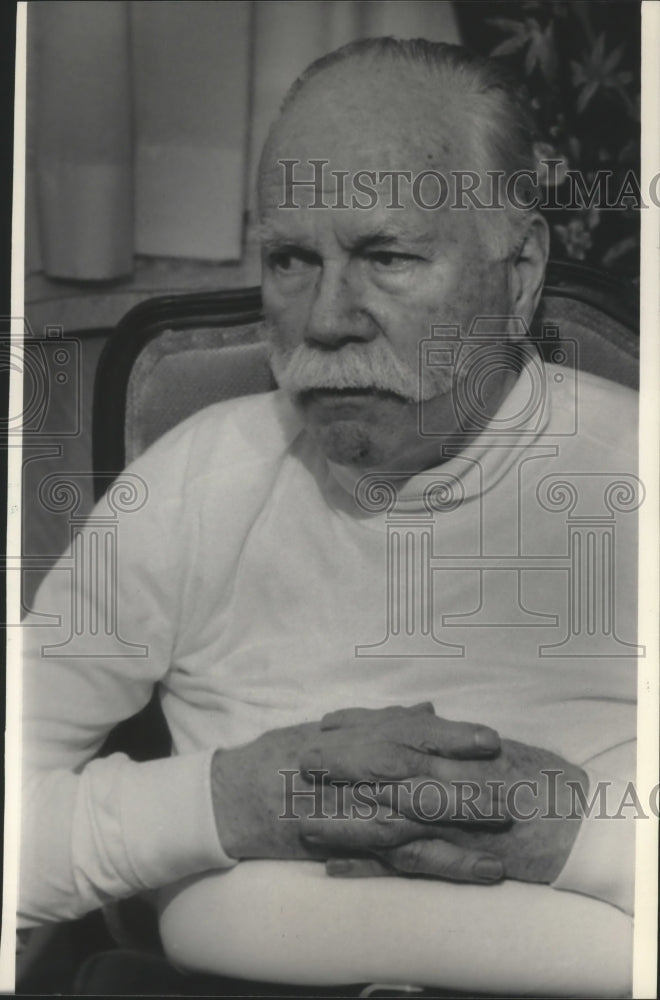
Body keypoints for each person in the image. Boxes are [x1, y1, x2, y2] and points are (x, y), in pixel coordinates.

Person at [19, 38, 638, 993]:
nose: (324, 319)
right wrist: (228, 803)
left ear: (517, 280)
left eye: (386, 256)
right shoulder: (192, 484)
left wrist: (575, 837)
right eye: (292, 259)